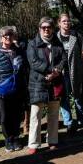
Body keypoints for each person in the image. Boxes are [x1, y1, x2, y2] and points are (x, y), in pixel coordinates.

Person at [26, 18, 66, 153]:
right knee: (36, 114)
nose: (46, 29)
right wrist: (50, 70)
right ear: (39, 29)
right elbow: (33, 62)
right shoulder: (32, 44)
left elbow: (63, 59)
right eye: (43, 27)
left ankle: (52, 140)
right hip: (38, 82)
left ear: (52, 29)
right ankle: (33, 144)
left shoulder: (57, 43)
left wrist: (56, 72)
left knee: (54, 113)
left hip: (55, 82)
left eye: (49, 27)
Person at [0, 26, 27, 152]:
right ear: (1, 38)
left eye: (10, 35)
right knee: (4, 117)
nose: (8, 37)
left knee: (16, 115)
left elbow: (24, 69)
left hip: (17, 89)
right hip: (2, 91)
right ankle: (8, 139)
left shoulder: (19, 52)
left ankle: (16, 138)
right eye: (5, 35)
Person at [57, 14, 83, 133]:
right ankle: (68, 122)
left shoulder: (76, 36)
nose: (66, 23)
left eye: (68, 21)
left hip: (76, 70)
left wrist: (81, 66)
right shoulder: (55, 38)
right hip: (61, 72)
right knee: (64, 97)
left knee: (77, 96)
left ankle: (81, 120)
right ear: (59, 23)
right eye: (64, 21)